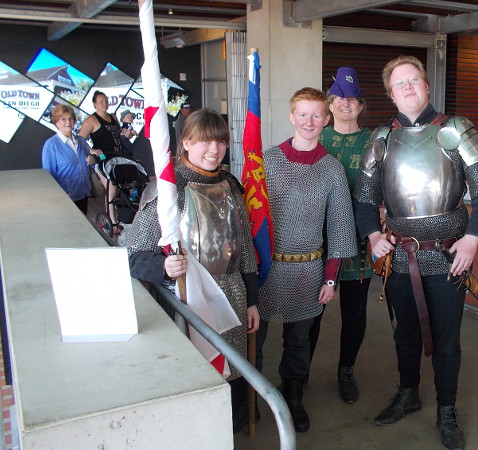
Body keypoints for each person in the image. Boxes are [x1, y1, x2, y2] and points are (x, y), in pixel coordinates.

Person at [353, 55, 478, 450]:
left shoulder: (455, 129)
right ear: (390, 93)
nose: (408, 88)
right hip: (401, 256)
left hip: (450, 254)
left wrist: (473, 237)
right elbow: (365, 198)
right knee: (406, 333)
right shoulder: (381, 138)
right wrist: (371, 235)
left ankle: (446, 409)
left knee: (447, 339)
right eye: (399, 83)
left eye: (413, 80)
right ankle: (408, 393)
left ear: (426, 85)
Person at [124, 108, 259, 433]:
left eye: (221, 142)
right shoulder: (167, 190)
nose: (214, 150)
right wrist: (162, 266)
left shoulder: (230, 185)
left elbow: (245, 251)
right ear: (185, 142)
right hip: (188, 303)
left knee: (235, 372)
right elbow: (131, 255)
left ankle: (231, 429)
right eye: (205, 141)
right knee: (198, 377)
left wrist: (252, 299)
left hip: (234, 295)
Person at [255, 87, 358, 432]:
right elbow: (251, 220)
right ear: (291, 117)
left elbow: (339, 229)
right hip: (267, 269)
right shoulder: (267, 161)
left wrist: (330, 279)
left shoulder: (331, 170)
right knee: (255, 337)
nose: (309, 121)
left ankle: (294, 396)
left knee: (298, 342)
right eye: (303, 114)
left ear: (326, 120)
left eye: (316, 115)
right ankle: (249, 396)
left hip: (308, 270)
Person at [308, 67, 373, 404]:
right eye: (339, 99)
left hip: (360, 239)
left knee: (355, 312)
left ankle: (346, 369)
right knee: (311, 311)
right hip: (317, 240)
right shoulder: (318, 139)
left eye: (352, 99)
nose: (346, 104)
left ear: (360, 105)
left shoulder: (375, 141)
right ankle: (299, 371)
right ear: (329, 104)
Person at [79, 90, 125, 235]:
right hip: (103, 160)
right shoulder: (92, 120)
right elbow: (80, 139)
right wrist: (92, 150)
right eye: (101, 102)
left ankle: (115, 217)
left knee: (116, 189)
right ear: (94, 104)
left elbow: (118, 136)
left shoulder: (113, 117)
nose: (104, 104)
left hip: (117, 157)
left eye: (106, 101)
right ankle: (112, 221)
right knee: (110, 187)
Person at [42, 104, 101, 214]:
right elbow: (48, 176)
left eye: (70, 118)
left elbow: (90, 165)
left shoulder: (81, 141)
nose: (68, 122)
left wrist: (92, 161)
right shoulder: (51, 145)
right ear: (56, 122)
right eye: (63, 119)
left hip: (83, 194)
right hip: (65, 198)